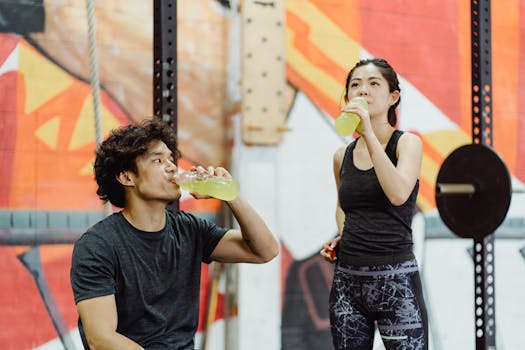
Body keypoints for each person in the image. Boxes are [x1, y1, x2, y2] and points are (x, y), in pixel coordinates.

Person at [70, 119, 279, 350]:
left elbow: (265, 251)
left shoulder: (190, 230)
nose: (172, 167)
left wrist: (230, 195)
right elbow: (100, 339)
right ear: (127, 177)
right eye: (158, 160)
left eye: (171, 159)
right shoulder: (98, 245)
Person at [320, 58, 428, 350]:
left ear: (393, 97)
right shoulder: (341, 156)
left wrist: (368, 133)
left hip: (395, 282)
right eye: (355, 85)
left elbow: (397, 194)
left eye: (373, 83)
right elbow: (344, 207)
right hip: (348, 283)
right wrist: (343, 236)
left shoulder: (407, 144)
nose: (363, 91)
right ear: (346, 99)